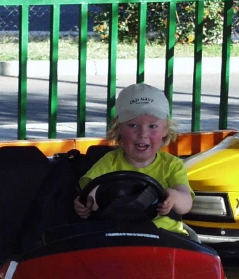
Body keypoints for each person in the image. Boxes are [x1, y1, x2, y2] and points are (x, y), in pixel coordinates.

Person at [73, 83, 194, 236]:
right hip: (118, 235)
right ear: (119, 129)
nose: (142, 134)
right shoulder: (109, 162)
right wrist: (85, 205)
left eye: (152, 126)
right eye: (133, 125)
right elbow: (91, 194)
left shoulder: (171, 165)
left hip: (165, 236)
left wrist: (174, 197)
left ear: (165, 130)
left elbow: (186, 203)